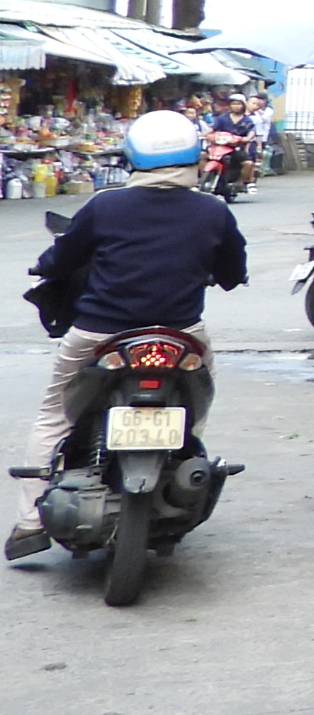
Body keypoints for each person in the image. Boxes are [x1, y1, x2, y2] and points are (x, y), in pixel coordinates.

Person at [12, 109, 246, 561]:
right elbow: (233, 273)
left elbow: (60, 258)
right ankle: (185, 463)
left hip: (99, 335)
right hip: (179, 336)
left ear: (133, 157)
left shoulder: (105, 205)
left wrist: (44, 267)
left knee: (54, 416)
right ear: (194, 156)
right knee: (198, 403)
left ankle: (29, 522)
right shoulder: (212, 211)